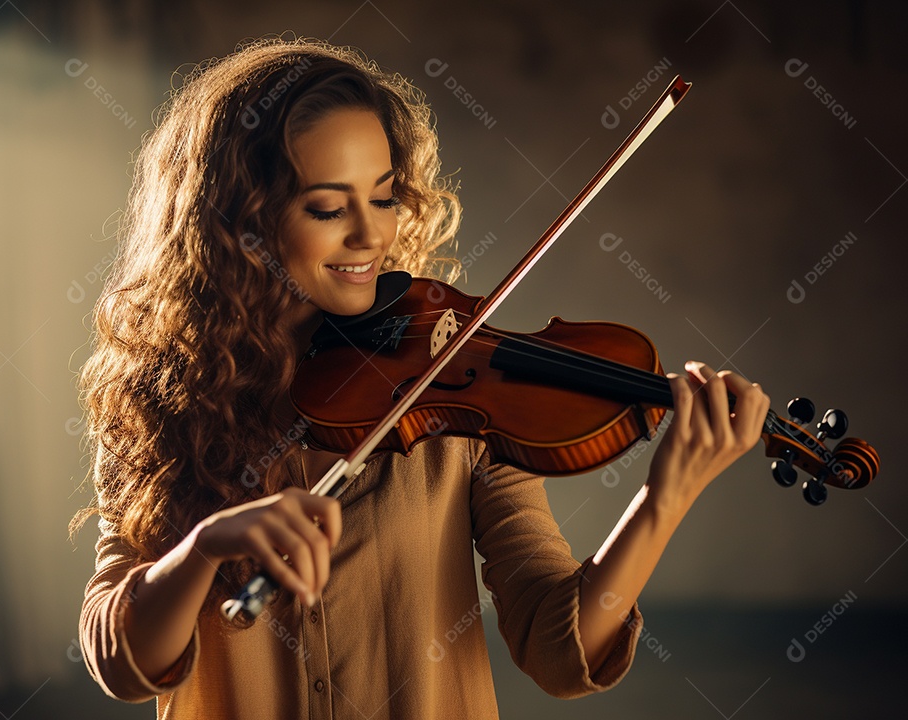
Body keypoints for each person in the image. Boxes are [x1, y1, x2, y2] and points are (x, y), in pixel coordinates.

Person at [73, 36, 770, 720]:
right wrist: (203, 549)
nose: (370, 236)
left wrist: (663, 499)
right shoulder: (164, 399)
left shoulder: (456, 393)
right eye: (328, 208)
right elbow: (120, 662)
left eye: (382, 198)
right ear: (237, 221)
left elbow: (561, 653)